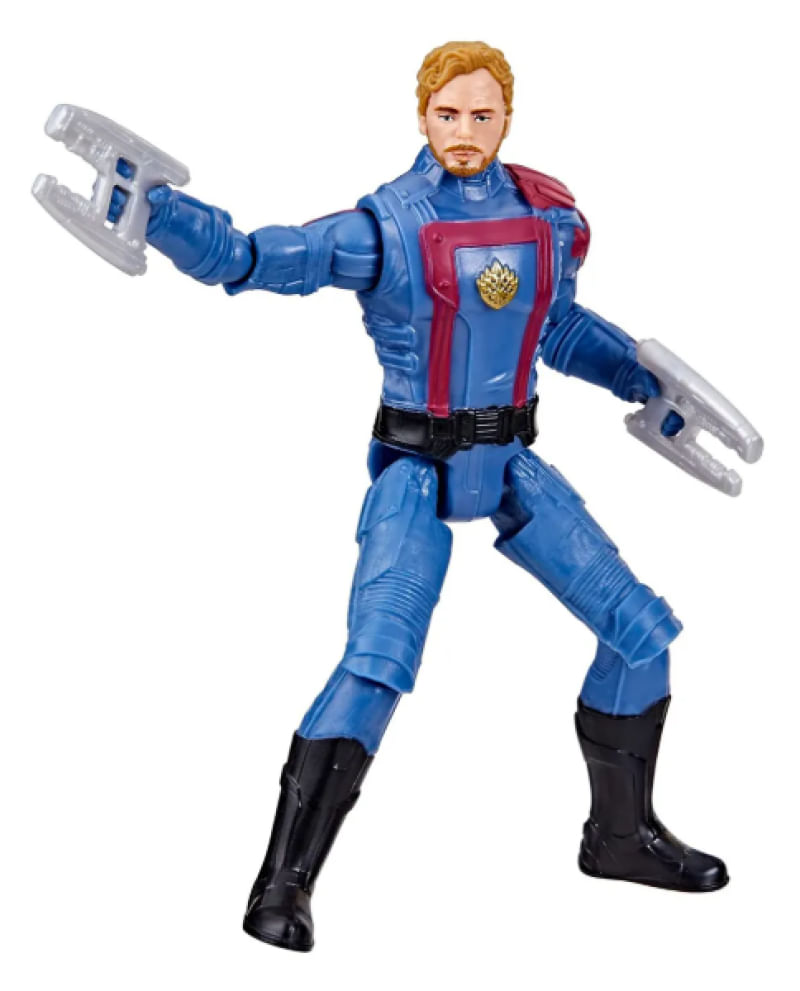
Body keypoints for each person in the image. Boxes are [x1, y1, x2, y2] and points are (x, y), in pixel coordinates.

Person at [114, 41, 729, 951]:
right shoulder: (387, 228)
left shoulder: (544, 219)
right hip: (416, 467)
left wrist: (641, 380)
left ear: (507, 117)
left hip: (511, 463)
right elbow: (252, 258)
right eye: (449, 114)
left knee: (642, 633)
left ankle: (619, 836)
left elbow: (555, 327)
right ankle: (285, 880)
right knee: (378, 662)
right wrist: (158, 213)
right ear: (422, 116)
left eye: (483, 115)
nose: (465, 131)